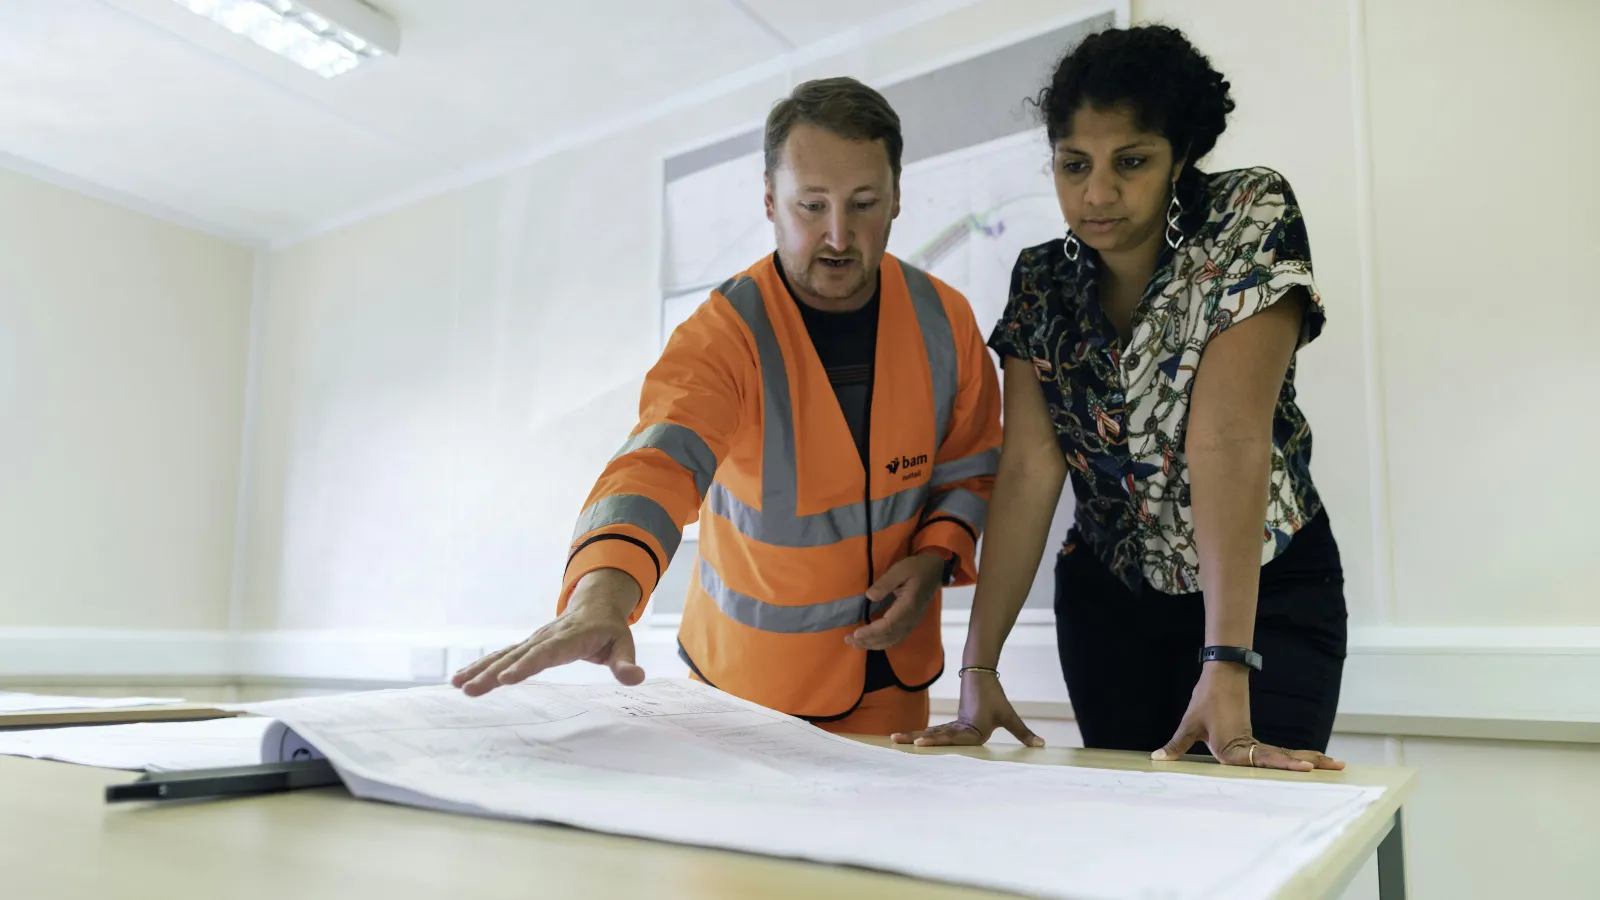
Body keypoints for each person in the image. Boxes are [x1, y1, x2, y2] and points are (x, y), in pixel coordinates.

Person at [451, 77, 1003, 737]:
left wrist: (937, 554)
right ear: (770, 202)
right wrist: (600, 597)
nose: (837, 235)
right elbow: (656, 465)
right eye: (811, 206)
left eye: (863, 204)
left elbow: (969, 467)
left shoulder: (946, 320)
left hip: (893, 682)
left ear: (897, 201)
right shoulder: (721, 335)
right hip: (747, 695)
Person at [897, 25, 1348, 771]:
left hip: (1265, 594)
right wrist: (978, 670)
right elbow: (1029, 472)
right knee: (1135, 845)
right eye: (1074, 165)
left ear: (1180, 158)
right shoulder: (1041, 281)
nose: (1097, 193)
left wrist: (1227, 659)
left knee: (1244, 838)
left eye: (1131, 162)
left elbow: (1226, 441)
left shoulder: (1247, 215)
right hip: (1110, 604)